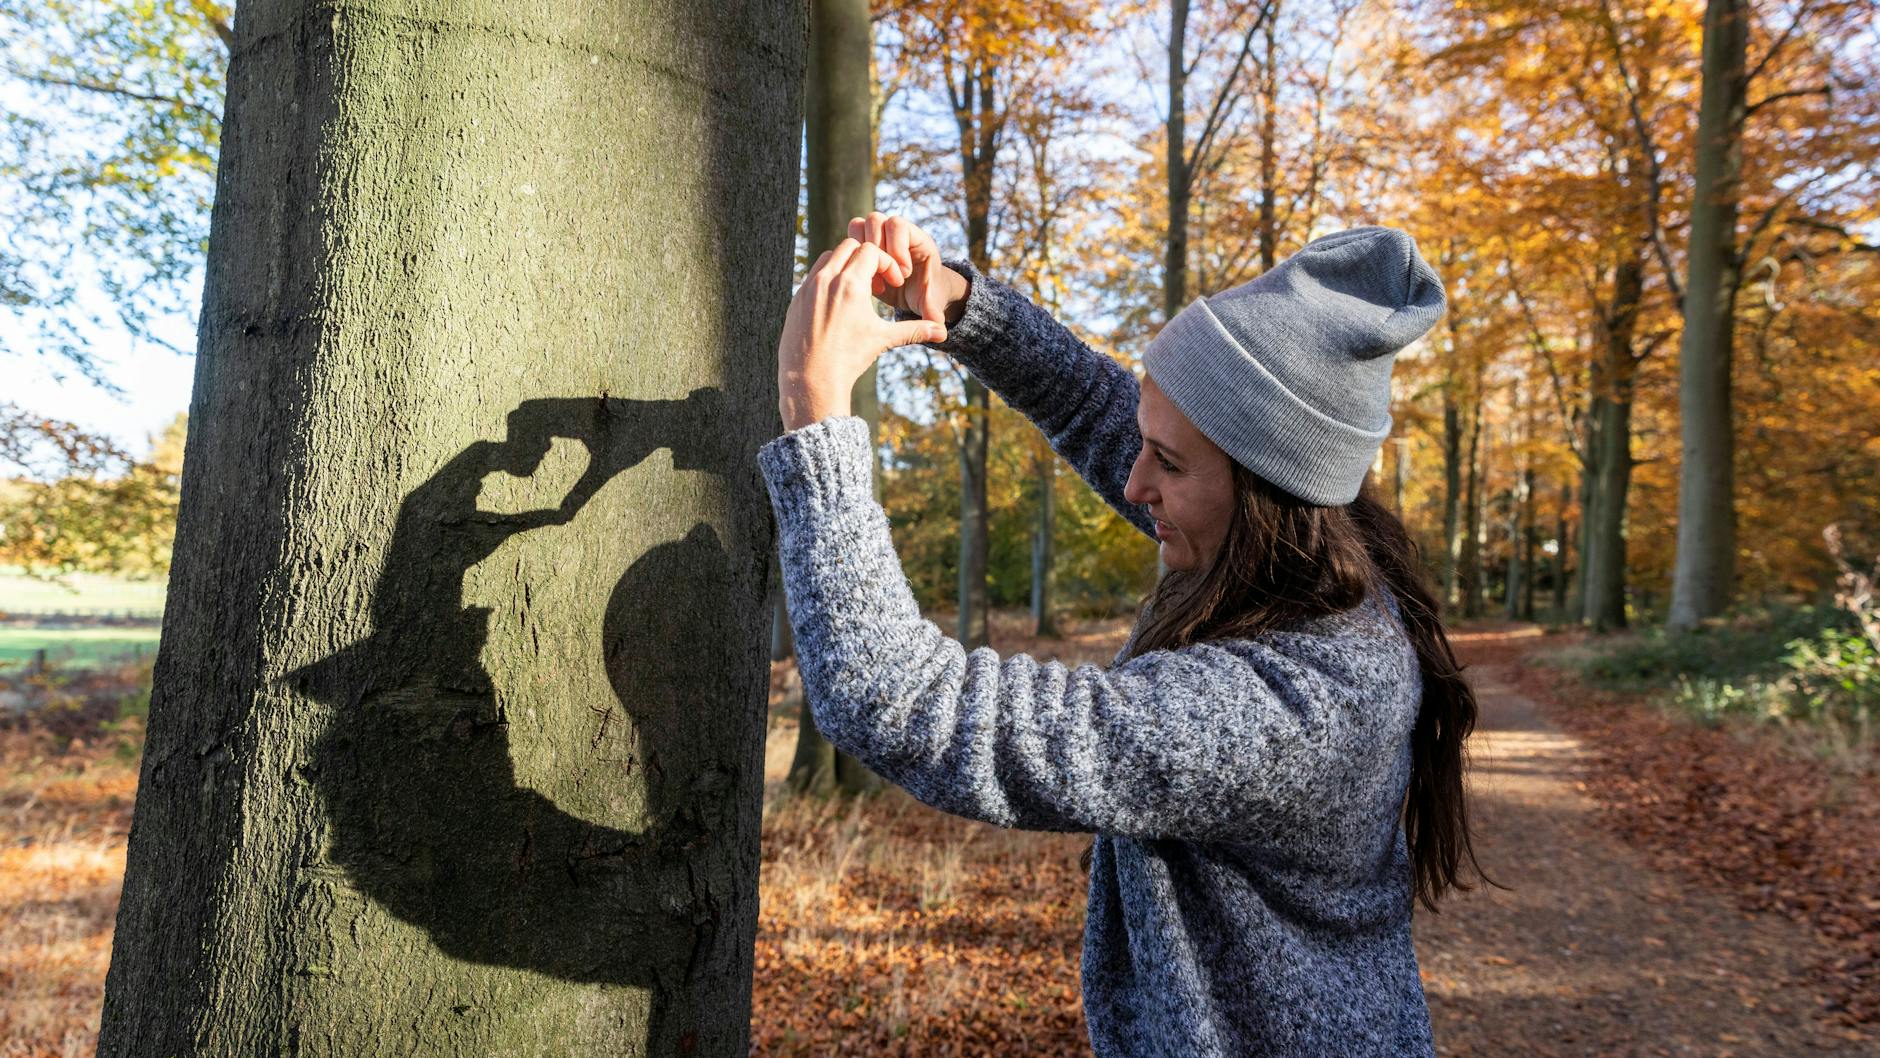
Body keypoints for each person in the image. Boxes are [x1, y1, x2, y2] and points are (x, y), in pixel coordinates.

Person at [758, 212, 1489, 1058]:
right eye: (1147, 445)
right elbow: (1094, 405)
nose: (1136, 481)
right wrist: (958, 306)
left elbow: (900, 702)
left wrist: (814, 416)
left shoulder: (1300, 704)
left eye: (1170, 465)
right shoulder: (1301, 558)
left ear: (1268, 494)